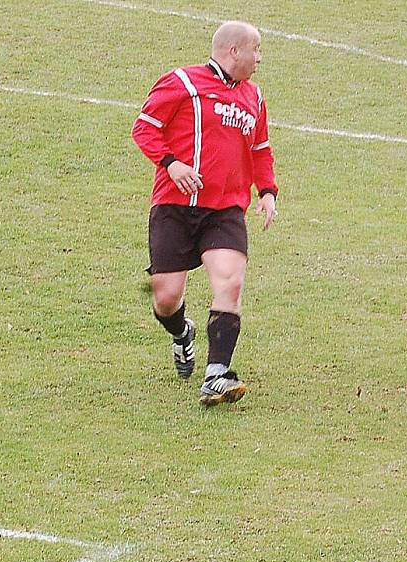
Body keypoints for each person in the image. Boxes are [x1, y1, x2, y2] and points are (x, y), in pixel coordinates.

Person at [132, 20, 278, 406]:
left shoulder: (254, 97)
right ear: (234, 51)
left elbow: (260, 149)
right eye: (256, 49)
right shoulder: (182, 82)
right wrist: (171, 164)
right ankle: (183, 334)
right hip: (174, 207)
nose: (260, 58)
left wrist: (266, 191)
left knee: (229, 283)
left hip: (225, 210)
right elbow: (144, 128)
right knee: (165, 296)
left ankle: (217, 374)